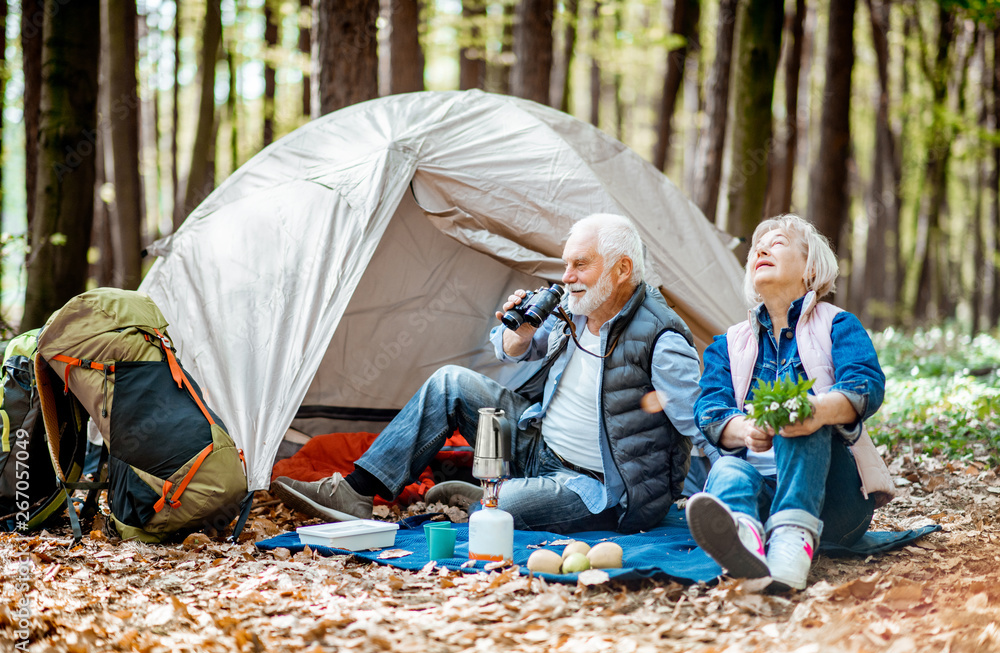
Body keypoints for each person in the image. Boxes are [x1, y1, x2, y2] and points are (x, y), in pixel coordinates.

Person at [272, 213, 710, 534]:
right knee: (451, 382)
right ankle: (356, 489)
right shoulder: (577, 308)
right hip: (539, 444)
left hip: (598, 486)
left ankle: (488, 493)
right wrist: (517, 334)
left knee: (503, 512)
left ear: (621, 270)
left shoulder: (662, 338)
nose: (567, 276)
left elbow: (698, 419)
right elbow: (507, 350)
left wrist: (725, 492)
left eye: (580, 264)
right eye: (565, 264)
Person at [686, 213, 895, 591]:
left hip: (835, 502)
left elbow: (866, 385)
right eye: (756, 248)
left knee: (801, 417)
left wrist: (817, 411)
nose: (762, 248)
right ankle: (745, 543)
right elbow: (710, 412)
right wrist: (747, 430)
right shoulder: (726, 345)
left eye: (777, 242)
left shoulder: (838, 325)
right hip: (761, 492)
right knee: (726, 473)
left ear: (810, 267)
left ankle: (790, 548)